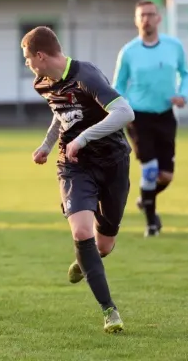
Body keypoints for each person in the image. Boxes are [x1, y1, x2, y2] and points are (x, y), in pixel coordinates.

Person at [22, 26, 135, 333]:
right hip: (74, 165)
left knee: (104, 244)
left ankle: (86, 262)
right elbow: (61, 114)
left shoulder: (87, 76)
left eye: (28, 58)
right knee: (82, 232)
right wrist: (47, 146)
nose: (28, 65)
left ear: (41, 56)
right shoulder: (42, 83)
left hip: (113, 162)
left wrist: (83, 138)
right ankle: (109, 310)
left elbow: (125, 113)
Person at [112, 0, 188, 237]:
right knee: (150, 169)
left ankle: (145, 199)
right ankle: (151, 224)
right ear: (136, 20)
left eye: (150, 14)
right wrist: (123, 111)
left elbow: (185, 74)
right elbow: (118, 85)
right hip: (139, 118)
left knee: (165, 175)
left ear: (159, 18)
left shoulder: (173, 46)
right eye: (142, 15)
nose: (146, 18)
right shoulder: (128, 52)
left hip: (166, 115)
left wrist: (183, 94)